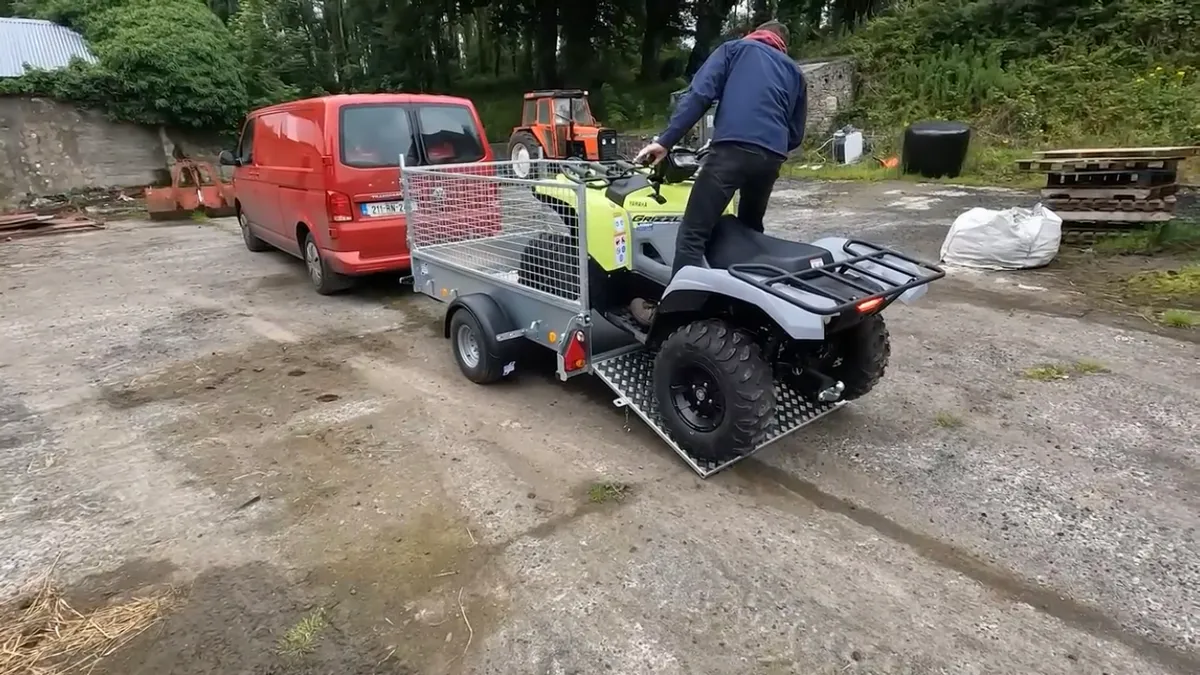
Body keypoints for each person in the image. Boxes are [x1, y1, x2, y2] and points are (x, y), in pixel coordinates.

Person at [629, 20, 808, 326]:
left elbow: (698, 96)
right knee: (749, 232)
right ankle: (746, 315)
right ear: (782, 44)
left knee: (693, 233)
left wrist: (665, 142)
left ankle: (677, 321)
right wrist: (768, 145)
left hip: (732, 150)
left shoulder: (734, 50)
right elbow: (795, 134)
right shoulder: (794, 72)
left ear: (753, 35)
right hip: (771, 157)